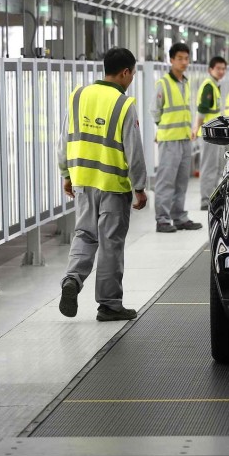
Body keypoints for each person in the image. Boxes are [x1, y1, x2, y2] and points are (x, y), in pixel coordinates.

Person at [58, 47, 148, 322]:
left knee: (85, 235)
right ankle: (109, 305)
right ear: (124, 72)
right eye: (131, 73)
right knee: (110, 244)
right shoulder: (124, 104)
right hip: (113, 184)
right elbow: (133, 149)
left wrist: (66, 173)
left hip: (83, 180)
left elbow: (64, 137)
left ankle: (72, 279)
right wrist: (140, 187)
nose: (131, 79)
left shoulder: (78, 95)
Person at [153, 43, 202, 233]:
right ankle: (162, 220)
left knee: (182, 181)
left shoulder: (186, 82)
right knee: (166, 181)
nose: (184, 62)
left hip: (184, 139)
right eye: (180, 58)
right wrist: (162, 129)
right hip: (169, 140)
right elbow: (154, 110)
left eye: (186, 58)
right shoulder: (163, 83)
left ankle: (179, 217)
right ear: (171, 60)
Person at [196, 55, 227, 210]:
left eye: (223, 69)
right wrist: (196, 128)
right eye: (218, 68)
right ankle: (205, 200)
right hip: (209, 135)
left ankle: (213, 197)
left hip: (215, 134)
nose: (221, 71)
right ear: (210, 70)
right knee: (209, 167)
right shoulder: (209, 86)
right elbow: (202, 111)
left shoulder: (215, 85)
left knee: (216, 167)